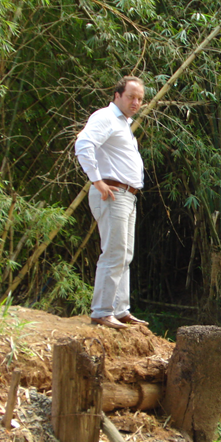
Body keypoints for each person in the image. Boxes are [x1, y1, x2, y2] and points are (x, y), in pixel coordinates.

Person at [75, 76, 149, 330]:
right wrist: (97, 181)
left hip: (128, 196)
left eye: (139, 98)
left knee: (124, 255)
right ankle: (102, 311)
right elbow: (83, 144)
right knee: (114, 252)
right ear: (117, 95)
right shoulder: (106, 117)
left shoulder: (124, 124)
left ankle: (120, 310)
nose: (136, 102)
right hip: (112, 194)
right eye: (131, 96)